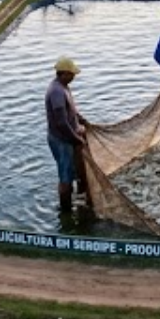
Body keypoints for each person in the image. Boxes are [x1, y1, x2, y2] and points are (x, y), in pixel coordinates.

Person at [46, 57, 92, 212]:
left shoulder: (64, 87)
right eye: (72, 74)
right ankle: (65, 211)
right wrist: (76, 138)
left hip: (69, 137)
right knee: (65, 177)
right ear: (64, 74)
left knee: (75, 170)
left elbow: (70, 111)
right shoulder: (56, 92)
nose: (74, 76)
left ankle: (80, 196)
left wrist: (81, 120)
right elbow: (61, 122)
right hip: (61, 140)